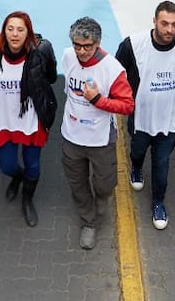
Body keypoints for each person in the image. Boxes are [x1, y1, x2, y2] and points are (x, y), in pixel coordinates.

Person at [115, 1, 175, 230]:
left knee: (162, 162)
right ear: (154, 21)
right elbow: (118, 71)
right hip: (141, 119)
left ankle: (159, 202)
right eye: (164, 24)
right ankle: (136, 167)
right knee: (138, 151)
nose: (170, 30)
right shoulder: (133, 45)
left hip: (168, 121)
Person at [60, 16, 135, 250]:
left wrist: (98, 101)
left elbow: (127, 105)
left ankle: (101, 200)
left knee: (104, 184)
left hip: (101, 140)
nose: (81, 51)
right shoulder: (67, 56)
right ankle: (89, 221)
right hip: (71, 137)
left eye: (87, 46)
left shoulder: (112, 69)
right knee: (77, 183)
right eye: (77, 46)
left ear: (98, 43)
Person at [0, 11, 57, 227]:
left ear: (28, 33)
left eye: (20, 30)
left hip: (31, 119)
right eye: (10, 29)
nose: (15, 34)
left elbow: (51, 77)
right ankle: (17, 177)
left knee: (33, 164)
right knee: (7, 166)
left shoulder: (41, 50)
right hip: (4, 119)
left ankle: (27, 198)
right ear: (3, 31)